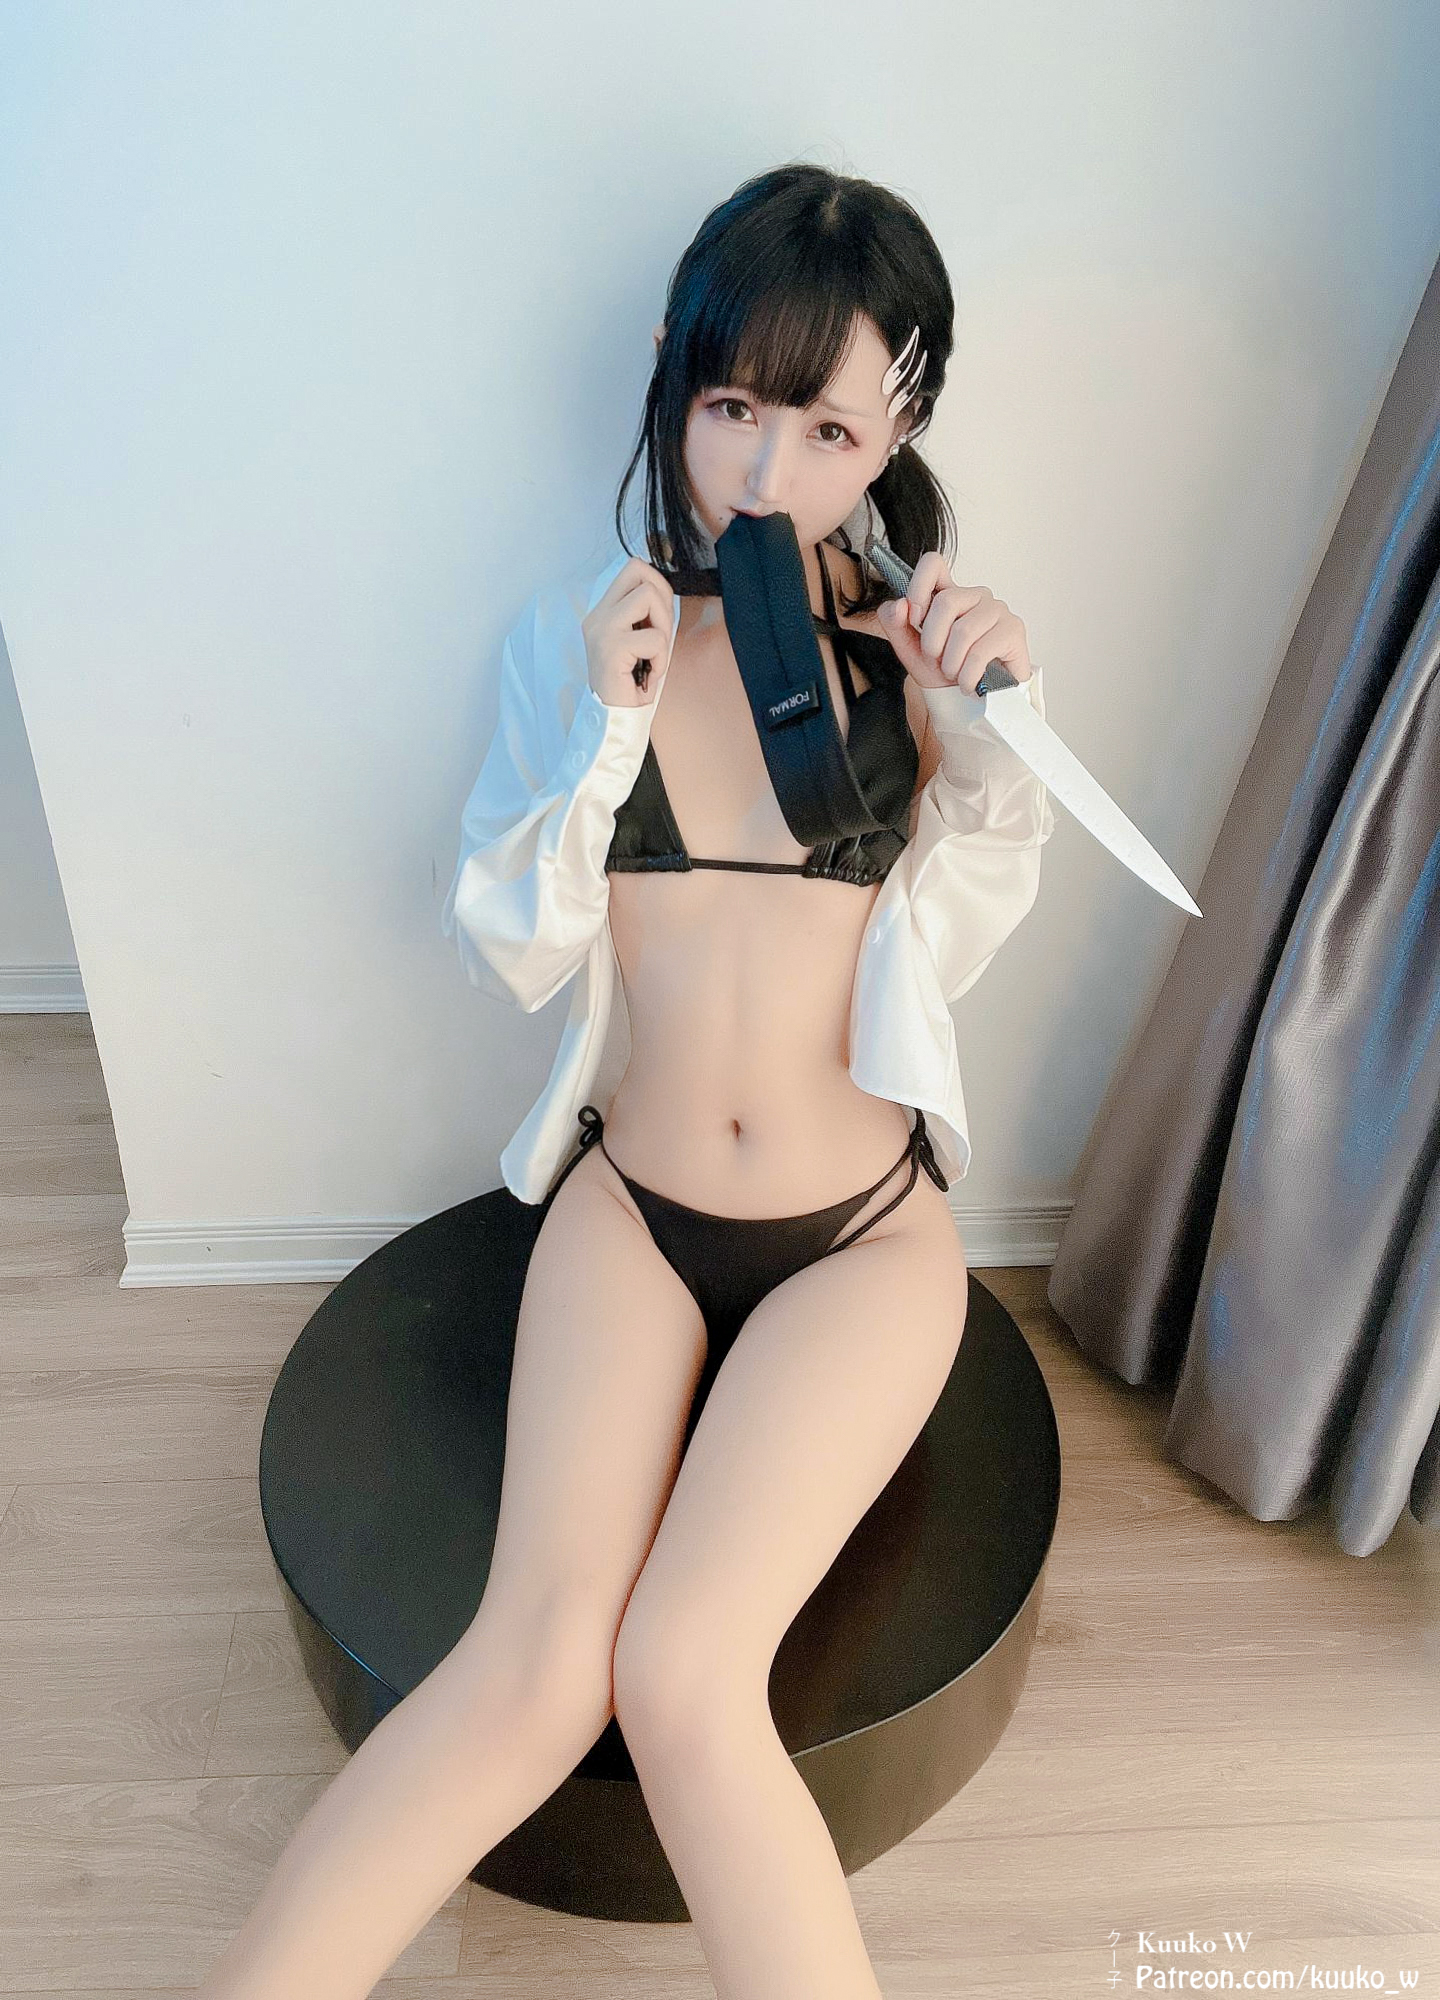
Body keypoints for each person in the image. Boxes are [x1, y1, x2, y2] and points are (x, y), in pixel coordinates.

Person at [197, 164, 1054, 2000]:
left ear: (896, 430)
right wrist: (600, 729)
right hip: (634, 1210)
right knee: (530, 1671)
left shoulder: (917, 666)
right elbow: (514, 949)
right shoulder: (590, 640)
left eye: (826, 430)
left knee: (683, 1675)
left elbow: (969, 932)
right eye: (731, 404)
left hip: (858, 1239)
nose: (763, 468)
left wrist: (990, 728)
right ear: (675, 376)